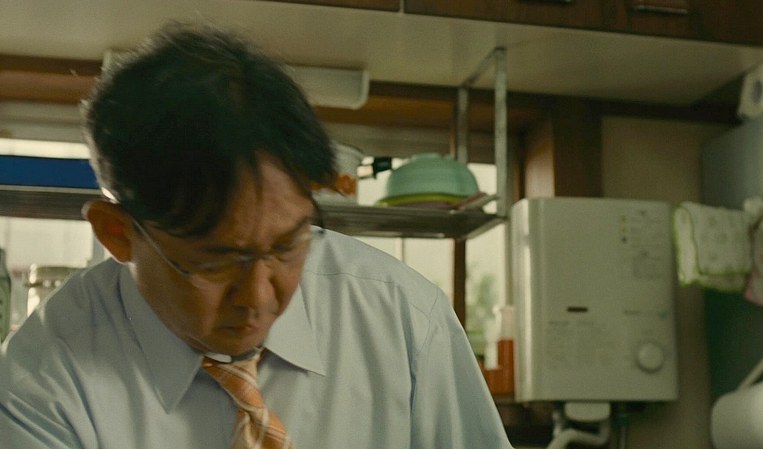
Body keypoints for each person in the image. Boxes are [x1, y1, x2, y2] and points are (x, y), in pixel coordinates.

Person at [0, 23, 513, 449]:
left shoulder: (404, 321)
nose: (260, 297)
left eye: (288, 245)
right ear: (119, 235)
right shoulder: (43, 379)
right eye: (215, 262)